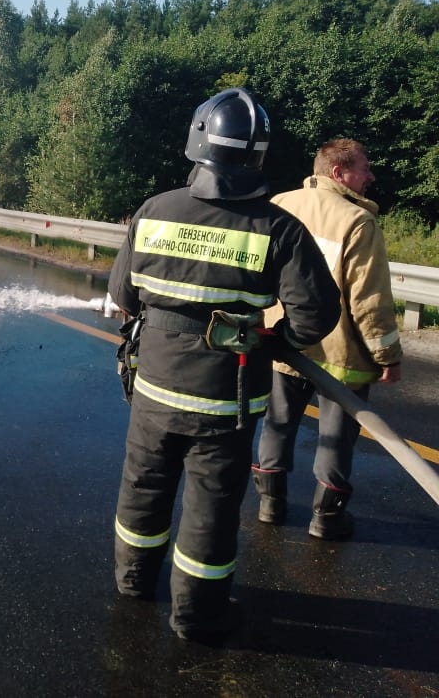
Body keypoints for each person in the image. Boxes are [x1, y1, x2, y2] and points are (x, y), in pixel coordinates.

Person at [107, 87, 340, 642]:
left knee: (143, 486)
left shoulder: (154, 212)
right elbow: (315, 315)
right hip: (227, 399)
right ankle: (196, 615)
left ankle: (134, 581)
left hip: (155, 389)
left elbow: (124, 294)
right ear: (257, 154)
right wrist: (271, 339)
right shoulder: (277, 228)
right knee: (210, 507)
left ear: (197, 142)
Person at [252, 138, 402, 540]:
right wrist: (387, 355)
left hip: (283, 343)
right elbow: (369, 301)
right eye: (363, 168)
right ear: (338, 173)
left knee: (278, 423)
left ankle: (270, 504)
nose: (370, 176)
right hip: (340, 355)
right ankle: (326, 518)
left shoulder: (279, 205)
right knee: (335, 438)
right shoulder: (357, 221)